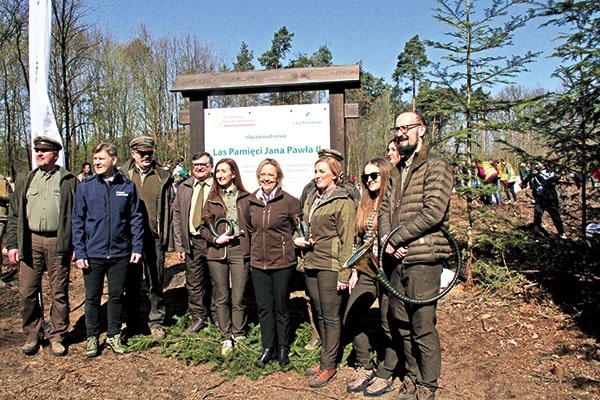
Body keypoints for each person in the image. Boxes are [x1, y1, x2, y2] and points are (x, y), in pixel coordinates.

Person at [379, 111, 454, 400]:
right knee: (400, 322)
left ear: (421, 130)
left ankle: (428, 383)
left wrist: (397, 237)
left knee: (422, 324)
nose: (400, 133)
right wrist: (387, 239)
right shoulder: (397, 172)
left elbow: (433, 212)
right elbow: (385, 210)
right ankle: (411, 376)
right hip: (396, 259)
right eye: (396, 128)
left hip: (424, 258)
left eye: (406, 128)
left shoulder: (436, 166)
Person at [5, 136, 78, 357]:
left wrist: (76, 245)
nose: (39, 154)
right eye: (37, 150)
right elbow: (14, 215)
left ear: (56, 155)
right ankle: (32, 335)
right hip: (31, 241)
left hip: (59, 242)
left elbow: (77, 216)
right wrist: (12, 245)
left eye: (44, 151)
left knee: (59, 292)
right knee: (27, 292)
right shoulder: (26, 179)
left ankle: (57, 336)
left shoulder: (68, 181)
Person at [72, 142, 144, 357]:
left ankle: (113, 334)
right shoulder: (86, 187)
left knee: (115, 296)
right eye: (95, 159)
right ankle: (92, 336)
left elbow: (135, 219)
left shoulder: (127, 186)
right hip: (93, 253)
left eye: (101, 159)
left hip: (120, 253)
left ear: (113, 160)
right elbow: (78, 221)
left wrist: (137, 247)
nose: (97, 163)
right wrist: (80, 250)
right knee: (92, 297)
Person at [295, 153, 356, 388]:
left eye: (322, 171)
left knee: (331, 317)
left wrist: (344, 273)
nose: (317, 176)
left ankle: (329, 365)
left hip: (331, 265)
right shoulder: (312, 197)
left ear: (334, 174)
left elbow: (347, 240)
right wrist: (297, 239)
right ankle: (324, 359)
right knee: (319, 312)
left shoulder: (343, 200)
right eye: (315, 171)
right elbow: (301, 224)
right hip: (311, 262)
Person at [344, 158, 399, 397]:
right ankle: (365, 365)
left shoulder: (393, 202)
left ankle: (387, 371)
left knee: (389, 323)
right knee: (352, 315)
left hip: (389, 271)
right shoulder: (364, 203)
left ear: (385, 174)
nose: (369, 180)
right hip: (368, 269)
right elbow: (359, 240)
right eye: (366, 177)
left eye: (374, 175)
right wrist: (355, 269)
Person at [246, 158, 302, 367]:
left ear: (278, 177)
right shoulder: (252, 201)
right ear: (258, 177)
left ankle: (283, 348)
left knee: (281, 306)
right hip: (258, 264)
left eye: (271, 174)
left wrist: (293, 243)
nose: (266, 178)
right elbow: (250, 229)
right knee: (263, 308)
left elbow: (299, 228)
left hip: (282, 263)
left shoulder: (289, 201)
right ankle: (267, 346)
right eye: (263, 174)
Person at [120, 136, 174, 340]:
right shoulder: (122, 175)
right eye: (142, 153)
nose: (146, 157)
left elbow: (171, 208)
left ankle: (156, 321)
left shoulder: (162, 176)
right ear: (133, 154)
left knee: (155, 281)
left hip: (154, 238)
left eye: (149, 153)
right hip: (128, 240)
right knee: (131, 283)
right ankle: (133, 322)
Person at [199, 158, 250, 356]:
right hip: (217, 252)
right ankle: (225, 336)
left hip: (239, 250)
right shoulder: (211, 199)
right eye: (218, 171)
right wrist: (214, 239)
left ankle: (239, 332)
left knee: (239, 296)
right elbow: (202, 228)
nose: (220, 175)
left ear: (234, 174)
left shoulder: (245, 197)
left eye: (224, 171)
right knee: (221, 296)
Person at [172, 152, 214, 335]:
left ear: (210, 167)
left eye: (203, 165)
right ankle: (198, 316)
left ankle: (217, 315)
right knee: (194, 282)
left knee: (216, 280)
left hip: (213, 242)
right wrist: (179, 245)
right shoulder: (185, 187)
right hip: (192, 241)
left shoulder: (218, 187)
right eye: (195, 164)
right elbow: (176, 216)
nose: (198, 168)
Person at [522, 162, 566, 239]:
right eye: (535, 164)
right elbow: (527, 179)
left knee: (555, 215)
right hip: (540, 198)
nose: (536, 165)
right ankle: (536, 235)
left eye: (538, 164)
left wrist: (537, 175)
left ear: (543, 164)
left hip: (550, 198)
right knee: (537, 216)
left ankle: (561, 232)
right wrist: (530, 176)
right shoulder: (535, 172)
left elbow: (546, 182)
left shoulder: (551, 173)